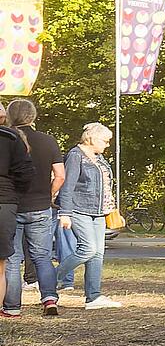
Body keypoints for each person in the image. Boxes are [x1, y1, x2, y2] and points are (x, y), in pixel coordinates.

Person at [3, 99, 64, 318]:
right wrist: (49, 194)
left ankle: (12, 306)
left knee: (12, 258)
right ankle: (49, 298)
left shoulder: (6, 140)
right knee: (42, 256)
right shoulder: (48, 141)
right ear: (33, 116)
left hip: (11, 205)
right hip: (40, 206)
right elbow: (60, 175)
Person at [56, 123, 118, 308]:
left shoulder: (99, 158)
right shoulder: (76, 156)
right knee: (88, 249)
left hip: (98, 212)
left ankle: (93, 297)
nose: (107, 145)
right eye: (105, 141)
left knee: (98, 253)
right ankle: (50, 279)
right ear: (91, 139)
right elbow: (68, 186)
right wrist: (65, 213)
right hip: (78, 209)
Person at [0, 121, 33, 319]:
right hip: (4, 202)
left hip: (5, 199)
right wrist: (13, 195)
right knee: (0, 264)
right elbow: (26, 173)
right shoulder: (10, 138)